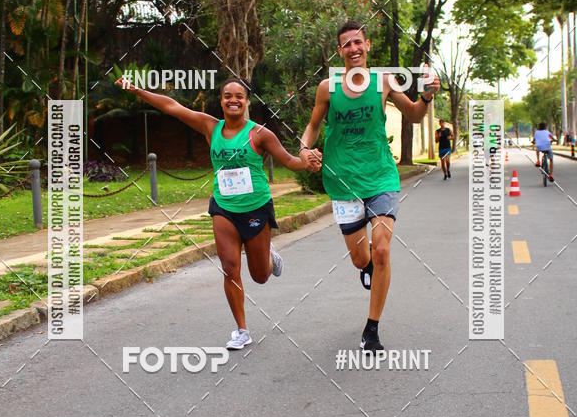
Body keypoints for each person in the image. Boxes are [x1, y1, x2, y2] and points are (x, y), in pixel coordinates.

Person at [115, 75, 320, 349]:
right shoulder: (210, 127)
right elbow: (171, 107)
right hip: (223, 207)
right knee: (230, 269)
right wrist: (137, 90)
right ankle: (241, 330)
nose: (233, 100)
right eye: (227, 96)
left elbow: (289, 161)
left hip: (256, 207)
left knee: (260, 275)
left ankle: (269, 258)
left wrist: (306, 162)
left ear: (247, 102)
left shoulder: (260, 134)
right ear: (221, 101)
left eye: (239, 96)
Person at [298, 20, 440, 354]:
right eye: (346, 44)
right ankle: (369, 271)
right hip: (343, 180)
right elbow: (313, 126)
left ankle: (372, 329)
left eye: (358, 42)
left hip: (380, 177)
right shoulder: (327, 88)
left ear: (368, 45)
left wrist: (427, 96)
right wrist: (305, 149)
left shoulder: (384, 81)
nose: (353, 48)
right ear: (340, 51)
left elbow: (416, 115)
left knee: (382, 249)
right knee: (361, 257)